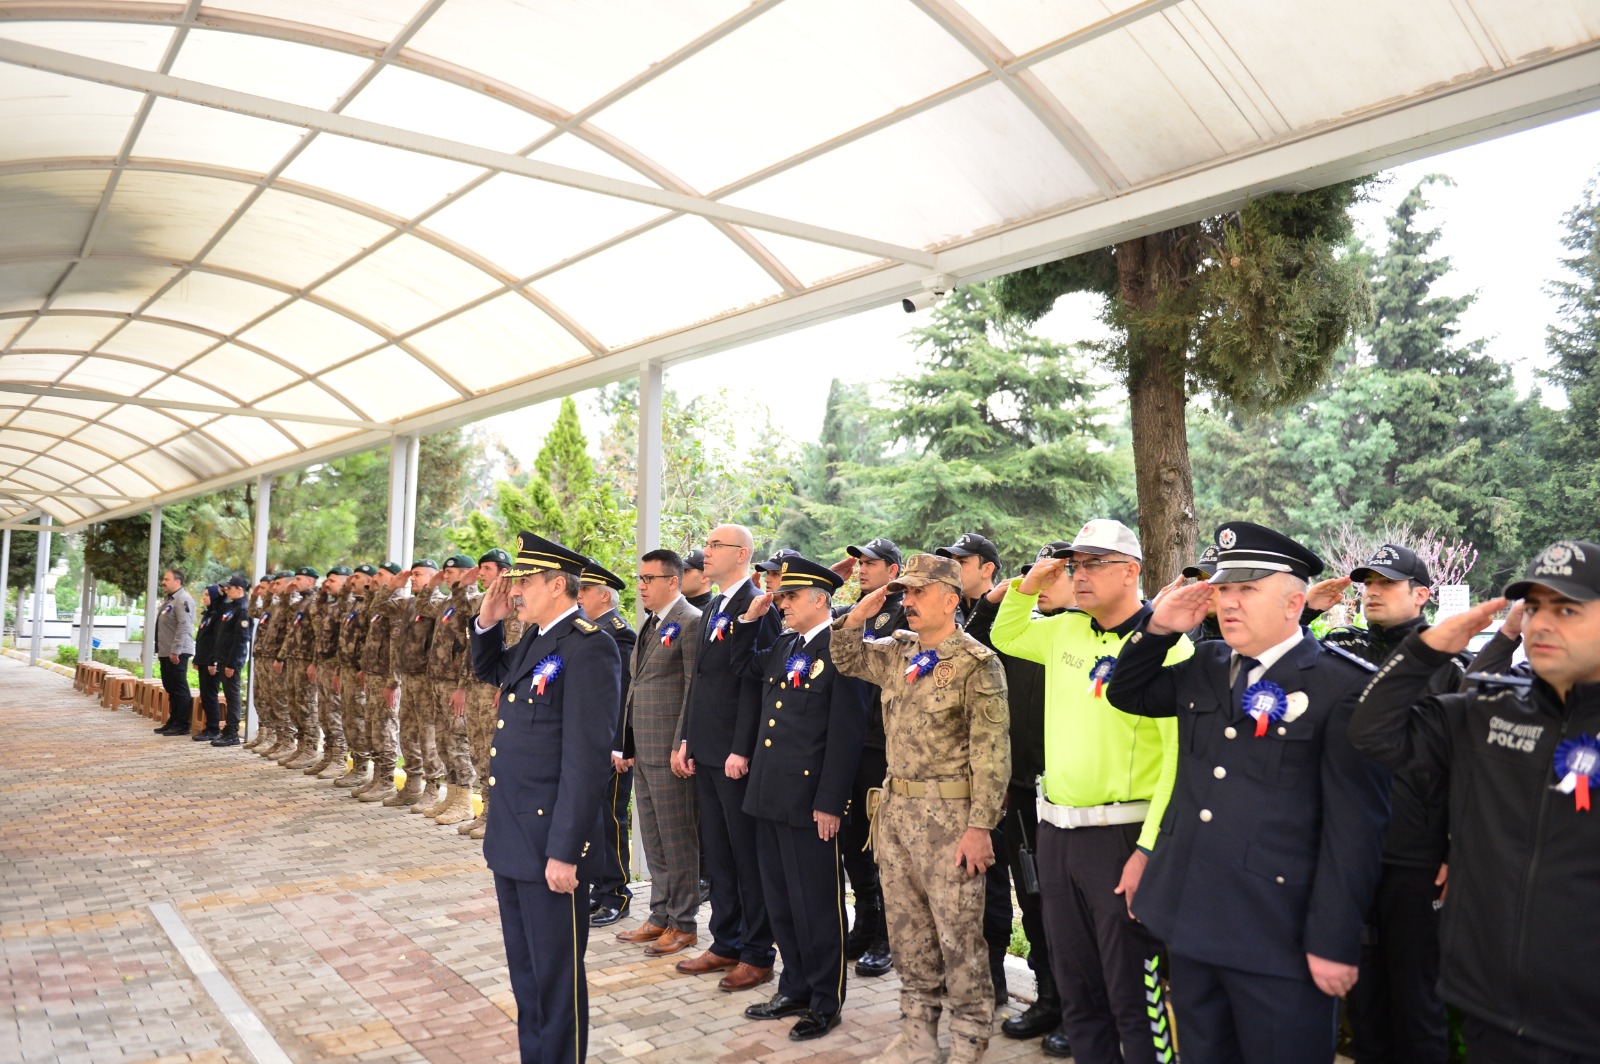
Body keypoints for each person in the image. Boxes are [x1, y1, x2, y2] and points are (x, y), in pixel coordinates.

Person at [1107, 522, 1391, 1064]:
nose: (1228, 602)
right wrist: (1159, 628)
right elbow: (1129, 693)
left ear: (1293, 603)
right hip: (1195, 923)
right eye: (1224, 588)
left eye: (1247, 589)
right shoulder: (1208, 666)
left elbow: (1355, 831)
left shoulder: (1343, 686)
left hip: (1279, 938)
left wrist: (1333, 940)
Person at [1350, 540, 1600, 1063]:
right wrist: (1425, 650)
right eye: (1533, 608)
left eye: (1567, 608)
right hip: (1489, 1006)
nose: (1542, 624)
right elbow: (1372, 734)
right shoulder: (1488, 711)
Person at [991, 522, 1190, 1064]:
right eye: (1076, 564)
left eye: (1095, 563)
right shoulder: (1065, 631)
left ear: (1132, 571)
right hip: (1057, 833)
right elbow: (1005, 635)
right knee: (1079, 995)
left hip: (1123, 838)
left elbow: (1178, 758)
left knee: (1134, 997)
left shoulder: (1166, 644)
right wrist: (1029, 584)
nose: (1080, 575)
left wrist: (1150, 849)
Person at [832, 553, 1010, 1064]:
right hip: (896, 817)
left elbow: (992, 755)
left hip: (952, 823)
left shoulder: (978, 663)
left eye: (917, 593)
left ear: (950, 599)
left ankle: (972, 1036)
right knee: (908, 937)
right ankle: (918, 1035)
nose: (906, 602)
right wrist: (857, 615)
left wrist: (981, 829)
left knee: (959, 939)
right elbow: (845, 658)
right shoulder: (897, 652)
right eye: (904, 593)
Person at [470, 531, 621, 1064]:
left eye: (526, 583)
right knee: (526, 973)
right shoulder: (536, 638)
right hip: (512, 834)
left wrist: (565, 850)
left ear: (559, 585)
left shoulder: (589, 646)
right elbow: (491, 670)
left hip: (547, 840)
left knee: (556, 979)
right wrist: (487, 623)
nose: (516, 592)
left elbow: (585, 762)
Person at [1323, 545, 1464, 1064]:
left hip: (1417, 857)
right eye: (1368, 583)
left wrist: (1455, 846)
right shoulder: (1344, 653)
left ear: (1422, 594)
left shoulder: (1448, 663)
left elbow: (1465, 768)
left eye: (1386, 583)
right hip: (1354, 854)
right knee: (1363, 998)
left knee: (1417, 999)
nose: (1372, 592)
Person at [730, 556, 870, 1041]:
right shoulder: (784, 644)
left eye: (790, 596)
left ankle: (825, 999)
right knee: (782, 900)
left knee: (817, 904)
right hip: (770, 794)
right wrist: (751, 619)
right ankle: (793, 986)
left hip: (812, 801)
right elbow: (738, 666)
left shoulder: (843, 650)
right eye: (781, 596)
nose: (781, 603)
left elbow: (846, 734)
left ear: (819, 599)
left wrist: (831, 801)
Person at [964, 540, 1075, 1056]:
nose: (1043, 587)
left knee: (1068, 907)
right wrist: (996, 601)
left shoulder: (1080, 639)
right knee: (1032, 900)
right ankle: (1050, 997)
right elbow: (967, 647)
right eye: (1038, 579)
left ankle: (1079, 1007)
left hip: (1073, 796)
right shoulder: (1024, 636)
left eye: (1055, 577)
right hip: (1020, 790)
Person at [672, 524, 780, 992]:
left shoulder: (758, 606)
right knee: (718, 854)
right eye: (707, 544)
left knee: (745, 855)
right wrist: (688, 740)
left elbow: (757, 683)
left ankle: (758, 952)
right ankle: (726, 941)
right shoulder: (715, 604)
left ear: (742, 555)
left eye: (716, 546)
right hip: (708, 749)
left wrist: (742, 747)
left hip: (737, 754)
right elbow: (703, 681)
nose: (705, 552)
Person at [613, 549, 704, 957]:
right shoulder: (651, 623)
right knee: (652, 837)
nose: (642, 586)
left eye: (650, 579)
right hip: (644, 746)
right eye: (640, 578)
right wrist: (626, 741)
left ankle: (683, 924)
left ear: (674, 581)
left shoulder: (690, 621)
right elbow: (635, 688)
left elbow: (691, 688)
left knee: (677, 837)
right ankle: (660, 915)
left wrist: (681, 743)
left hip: (670, 751)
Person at [936, 532, 1014, 1002]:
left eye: (962, 561)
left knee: (993, 876)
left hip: (992, 768)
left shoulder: (1007, 612)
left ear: (987, 568)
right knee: (959, 876)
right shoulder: (953, 612)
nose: (955, 567)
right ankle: (964, 967)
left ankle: (995, 975)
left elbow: (981, 657)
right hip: (950, 770)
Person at [830, 537, 905, 979]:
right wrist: (833, 579)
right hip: (850, 741)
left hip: (884, 743)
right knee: (853, 839)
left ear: (892, 571)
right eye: (859, 563)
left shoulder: (901, 612)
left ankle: (888, 937)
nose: (862, 569)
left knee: (882, 843)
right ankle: (866, 921)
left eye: (871, 563)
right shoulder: (848, 614)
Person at [579, 558, 638, 927]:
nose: (579, 596)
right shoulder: (588, 630)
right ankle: (599, 889)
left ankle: (616, 894)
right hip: (590, 742)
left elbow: (623, 694)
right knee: (593, 821)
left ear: (604, 596)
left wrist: (619, 745)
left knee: (611, 821)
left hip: (609, 746)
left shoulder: (617, 634)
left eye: (584, 590)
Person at [417, 557, 480, 825]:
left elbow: (472, 648)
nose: (445, 575)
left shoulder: (473, 602)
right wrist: (432, 582)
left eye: (451, 572)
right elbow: (422, 605)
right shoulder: (448, 602)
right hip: (438, 681)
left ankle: (465, 801)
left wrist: (462, 687)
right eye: (444, 572)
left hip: (456, 684)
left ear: (468, 574)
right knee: (443, 743)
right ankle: (452, 796)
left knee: (458, 742)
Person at [460, 549, 515, 839]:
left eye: (487, 569)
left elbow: (515, 654)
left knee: (494, 751)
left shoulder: (515, 606)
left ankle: (497, 815)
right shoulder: (482, 602)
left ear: (503, 572)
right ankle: (486, 810)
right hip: (476, 687)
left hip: (496, 689)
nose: (481, 574)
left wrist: (504, 687)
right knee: (479, 750)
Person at [389, 560, 442, 809]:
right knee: (408, 733)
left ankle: (433, 787)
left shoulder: (438, 603)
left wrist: (431, 588)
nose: (412, 579)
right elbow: (377, 607)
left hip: (427, 679)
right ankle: (412, 784)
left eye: (418, 575)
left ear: (433, 578)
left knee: (427, 734)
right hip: (408, 676)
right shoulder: (410, 603)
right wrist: (392, 586)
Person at [354, 563, 405, 804]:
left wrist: (393, 682)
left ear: (395, 579)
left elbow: (396, 647)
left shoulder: (396, 605)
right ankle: (377, 777)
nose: (374, 579)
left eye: (380, 575)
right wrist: (364, 668)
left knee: (385, 728)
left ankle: (386, 780)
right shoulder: (379, 603)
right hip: (374, 673)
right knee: (373, 727)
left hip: (386, 677)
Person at [305, 566, 351, 779]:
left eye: (332, 581)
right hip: (324, 663)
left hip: (336, 665)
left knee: (335, 714)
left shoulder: (347, 606)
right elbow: (318, 625)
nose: (327, 584)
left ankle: (340, 759)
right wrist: (315, 662)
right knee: (324, 714)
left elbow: (345, 642)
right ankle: (329, 755)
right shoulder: (330, 606)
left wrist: (339, 670)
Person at [274, 567, 322, 768]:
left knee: (306, 705)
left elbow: (321, 636)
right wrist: (282, 656)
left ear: (311, 581)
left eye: (299, 579)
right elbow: (287, 618)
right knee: (294, 705)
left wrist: (315, 662)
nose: (296, 582)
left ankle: (310, 748)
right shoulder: (302, 602)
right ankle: (301, 747)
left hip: (306, 661)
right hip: (294, 659)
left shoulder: (316, 603)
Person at [209, 575, 252, 747]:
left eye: (229, 588)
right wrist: (220, 591)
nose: (226, 590)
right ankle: (228, 730)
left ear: (239, 590)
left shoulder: (242, 609)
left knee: (232, 696)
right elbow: (217, 606)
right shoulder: (231, 606)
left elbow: (241, 639)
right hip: (224, 658)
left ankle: (232, 732)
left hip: (231, 660)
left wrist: (232, 664)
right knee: (229, 695)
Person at [153, 568, 197, 737]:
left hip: (177, 652)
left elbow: (184, 626)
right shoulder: (170, 599)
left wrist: (176, 650)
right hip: (167, 651)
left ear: (177, 582)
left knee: (179, 687)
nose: (163, 582)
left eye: (166, 579)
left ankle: (182, 724)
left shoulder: (183, 599)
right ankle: (173, 720)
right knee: (170, 687)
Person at [192, 584, 225, 742]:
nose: (204, 597)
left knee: (210, 695)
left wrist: (213, 661)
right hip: (204, 660)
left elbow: (216, 641)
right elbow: (202, 640)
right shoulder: (208, 614)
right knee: (205, 695)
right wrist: (197, 659)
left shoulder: (218, 615)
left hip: (212, 662)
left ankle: (213, 729)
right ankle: (209, 726)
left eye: (207, 594)